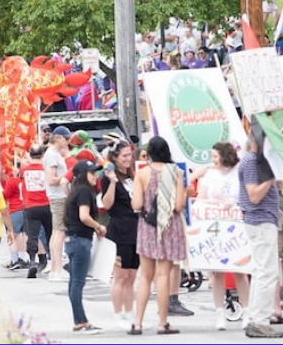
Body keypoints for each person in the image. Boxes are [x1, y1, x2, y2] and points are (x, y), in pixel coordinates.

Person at [130, 136, 186, 335]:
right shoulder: (176, 173)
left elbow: (136, 205)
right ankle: (163, 323)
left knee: (145, 276)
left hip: (147, 226)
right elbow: (179, 205)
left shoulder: (142, 174)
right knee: (163, 276)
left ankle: (138, 323)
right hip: (170, 227)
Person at [195, 141, 250, 330]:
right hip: (214, 226)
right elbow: (201, 198)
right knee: (216, 273)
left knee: (239, 271)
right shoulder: (210, 175)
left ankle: (247, 311)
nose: (213, 161)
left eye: (216, 157)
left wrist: (232, 204)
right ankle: (220, 313)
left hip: (235, 226)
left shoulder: (239, 173)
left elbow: (245, 196)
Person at [238, 136, 283, 338]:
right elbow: (254, 195)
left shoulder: (252, 161)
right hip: (261, 219)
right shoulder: (252, 162)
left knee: (261, 272)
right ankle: (260, 320)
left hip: (261, 219)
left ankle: (255, 318)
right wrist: (270, 177)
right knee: (267, 272)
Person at [65, 160, 106, 334]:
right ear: (83, 175)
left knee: (74, 281)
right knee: (78, 282)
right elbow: (84, 216)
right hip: (80, 239)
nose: (95, 176)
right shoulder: (84, 191)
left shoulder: (75, 191)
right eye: (91, 173)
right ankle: (80, 322)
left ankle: (80, 320)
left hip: (72, 239)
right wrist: (98, 226)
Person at [101, 139, 139, 328]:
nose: (128, 159)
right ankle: (118, 315)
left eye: (129, 155)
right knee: (120, 276)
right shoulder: (108, 176)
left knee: (132, 276)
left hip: (137, 230)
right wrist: (113, 183)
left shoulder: (133, 175)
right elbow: (106, 204)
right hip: (119, 231)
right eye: (124, 156)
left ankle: (130, 313)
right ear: (115, 157)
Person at [44, 125, 71, 282]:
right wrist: (67, 177)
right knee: (59, 232)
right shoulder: (53, 155)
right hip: (59, 196)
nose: (67, 142)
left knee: (57, 232)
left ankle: (55, 267)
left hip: (57, 196)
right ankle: (57, 269)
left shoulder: (53, 154)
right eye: (66, 139)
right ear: (59, 138)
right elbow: (51, 179)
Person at [21, 144, 52, 278]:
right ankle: (52, 261)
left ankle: (33, 261)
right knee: (51, 233)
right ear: (42, 154)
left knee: (32, 235)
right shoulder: (46, 169)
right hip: (47, 204)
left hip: (31, 206)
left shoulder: (24, 170)